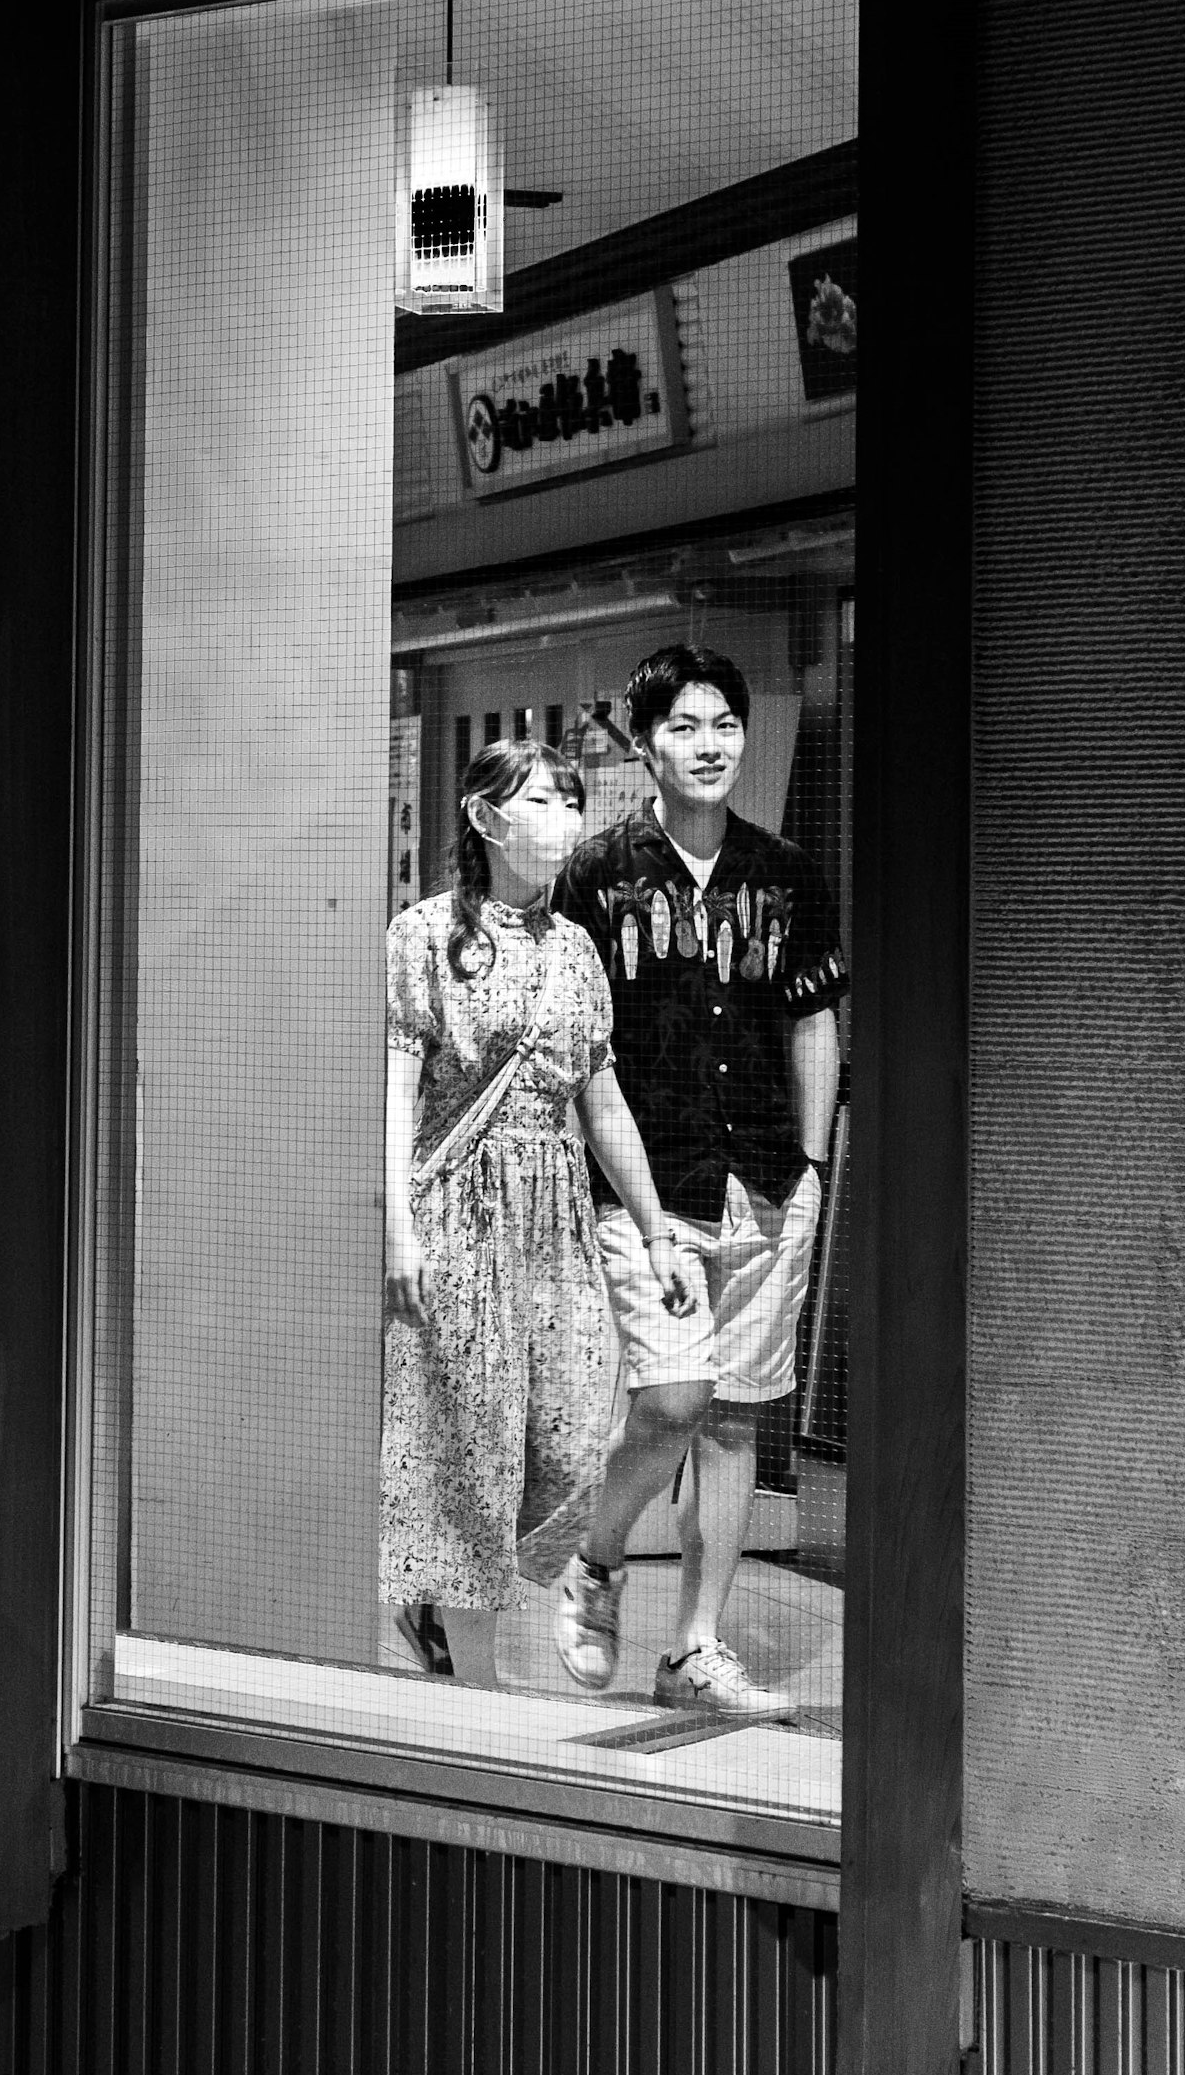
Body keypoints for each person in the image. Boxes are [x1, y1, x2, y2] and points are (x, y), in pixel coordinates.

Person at [550, 645, 845, 1718]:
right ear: (645, 745)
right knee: (673, 1399)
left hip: (766, 1179)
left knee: (731, 1424)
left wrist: (811, 1170)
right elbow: (580, 1046)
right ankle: (596, 1557)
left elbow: (814, 1019)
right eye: (684, 726)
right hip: (646, 1185)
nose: (710, 743)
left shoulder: (789, 876)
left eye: (724, 722)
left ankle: (696, 1649)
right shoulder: (594, 876)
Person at [379, 735, 689, 1689]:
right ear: (484, 818)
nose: (563, 820)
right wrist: (399, 1228)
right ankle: (477, 1670)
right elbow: (396, 1089)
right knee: (472, 1437)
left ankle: (435, 1596)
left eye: (569, 799)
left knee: (568, 1435)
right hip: (459, 1213)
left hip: (553, 1216)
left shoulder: (577, 950)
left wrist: (654, 1226)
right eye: (541, 801)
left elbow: (602, 1099)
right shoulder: (425, 936)